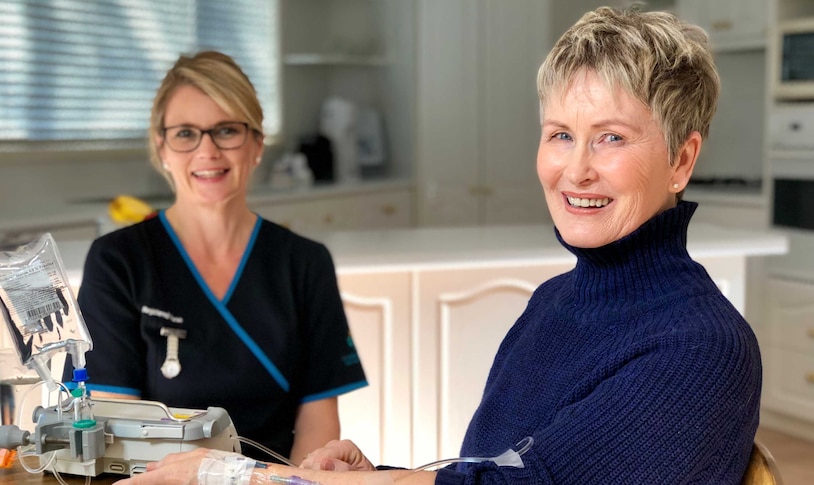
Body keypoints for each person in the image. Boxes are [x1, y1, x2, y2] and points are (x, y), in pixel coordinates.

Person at [116, 6, 761, 484]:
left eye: (612, 138)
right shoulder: (554, 302)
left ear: (682, 159)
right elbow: (490, 471)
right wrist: (372, 475)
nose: (577, 169)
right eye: (561, 134)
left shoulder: (700, 346)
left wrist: (223, 475)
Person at [62, 51, 368, 464]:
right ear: (162, 149)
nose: (207, 151)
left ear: (257, 144)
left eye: (226, 130)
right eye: (186, 133)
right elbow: (115, 429)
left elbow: (317, 421)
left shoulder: (305, 263)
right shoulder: (120, 261)